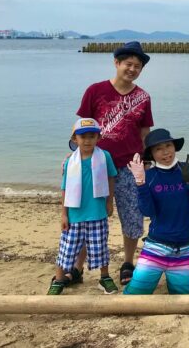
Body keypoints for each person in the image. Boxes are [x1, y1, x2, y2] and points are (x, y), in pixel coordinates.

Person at [76, 41, 153, 286]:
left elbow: (145, 131)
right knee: (89, 216)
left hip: (130, 165)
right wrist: (75, 156)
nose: (132, 69)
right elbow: (82, 128)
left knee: (132, 215)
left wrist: (146, 161)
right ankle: (77, 267)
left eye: (137, 66)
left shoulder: (143, 97)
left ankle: (128, 262)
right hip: (96, 165)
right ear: (116, 63)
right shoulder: (95, 91)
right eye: (128, 64)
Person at [123, 129, 189, 295]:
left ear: (174, 147)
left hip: (185, 248)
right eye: (158, 149)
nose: (165, 152)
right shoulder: (149, 176)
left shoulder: (188, 168)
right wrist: (140, 184)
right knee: (134, 295)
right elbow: (148, 211)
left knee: (183, 297)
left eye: (168, 145)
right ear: (151, 154)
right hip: (156, 247)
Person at [48, 119, 118, 295]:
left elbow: (111, 178)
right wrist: (64, 214)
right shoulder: (70, 161)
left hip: (97, 212)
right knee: (67, 248)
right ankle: (59, 278)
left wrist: (109, 201)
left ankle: (104, 277)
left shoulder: (105, 156)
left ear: (98, 138)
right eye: (83, 137)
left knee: (100, 246)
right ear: (74, 139)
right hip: (75, 214)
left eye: (91, 136)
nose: (87, 141)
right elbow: (64, 188)